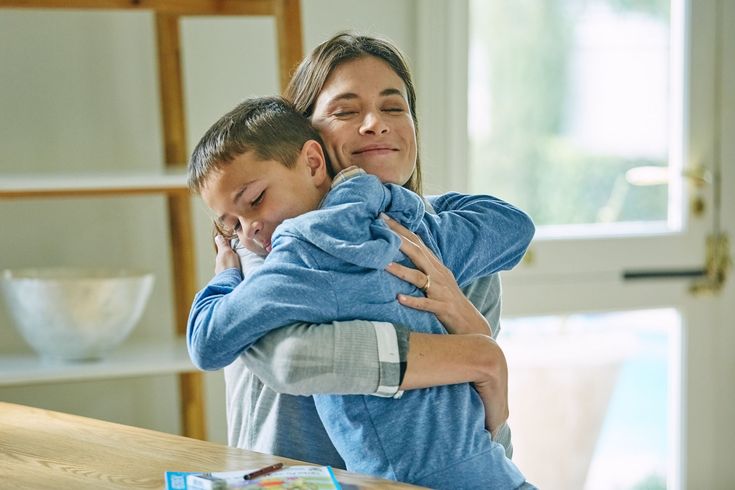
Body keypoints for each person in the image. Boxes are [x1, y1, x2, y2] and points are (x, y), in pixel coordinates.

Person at [187, 96, 535, 489]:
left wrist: (225, 274)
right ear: (315, 140)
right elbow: (290, 359)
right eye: (345, 111)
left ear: (313, 163)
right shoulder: (408, 228)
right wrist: (478, 351)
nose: (373, 125)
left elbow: (206, 341)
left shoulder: (299, 258)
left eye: (392, 107)